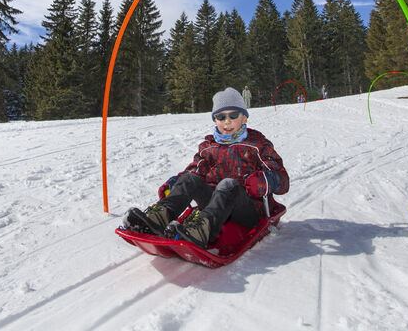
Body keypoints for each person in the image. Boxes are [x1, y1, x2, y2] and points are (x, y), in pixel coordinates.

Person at [122, 87, 289, 249]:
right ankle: (158, 219)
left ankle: (201, 231)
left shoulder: (256, 145)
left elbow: (283, 180)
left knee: (228, 184)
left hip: (247, 210)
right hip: (214, 205)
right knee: (188, 180)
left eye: (233, 115)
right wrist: (176, 184)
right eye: (221, 116)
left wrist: (265, 181)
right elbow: (195, 171)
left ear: (244, 118)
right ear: (215, 120)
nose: (227, 121)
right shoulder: (208, 147)